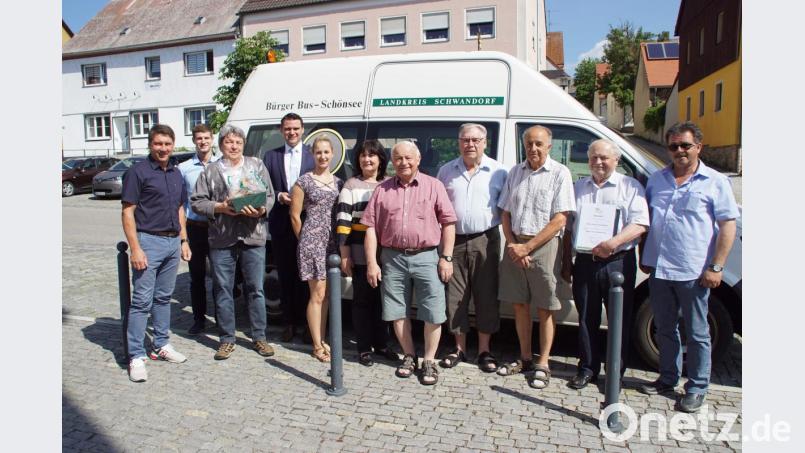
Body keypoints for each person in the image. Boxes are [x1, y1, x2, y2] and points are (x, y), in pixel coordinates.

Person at [638, 121, 739, 413]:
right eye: (673, 146)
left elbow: (727, 227)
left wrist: (717, 267)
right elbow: (647, 223)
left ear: (698, 147)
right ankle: (667, 379)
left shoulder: (716, 181)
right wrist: (645, 255)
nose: (679, 151)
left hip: (694, 271)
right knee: (665, 328)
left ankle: (696, 387)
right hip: (659, 268)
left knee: (697, 333)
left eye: (685, 145)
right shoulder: (657, 180)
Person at [361, 141, 457, 386]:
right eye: (398, 158)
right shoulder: (382, 190)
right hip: (392, 258)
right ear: (392, 162)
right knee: (396, 310)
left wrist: (446, 257)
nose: (403, 162)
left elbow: (448, 223)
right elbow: (370, 228)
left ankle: (428, 361)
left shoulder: (434, 186)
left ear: (418, 159)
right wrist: (372, 262)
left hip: (427, 256)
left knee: (433, 311)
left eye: (408, 158)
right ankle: (409, 356)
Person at [560, 139, 649, 390]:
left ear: (616, 160)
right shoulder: (578, 187)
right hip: (586, 262)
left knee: (618, 318)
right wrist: (567, 261)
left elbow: (640, 224)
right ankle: (587, 368)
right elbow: (568, 229)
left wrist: (613, 243)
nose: (598, 162)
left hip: (618, 262)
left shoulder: (630, 186)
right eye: (594, 157)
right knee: (586, 317)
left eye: (604, 158)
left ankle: (615, 374)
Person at [496, 125, 575, 389]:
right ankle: (525, 357)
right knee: (519, 305)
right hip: (515, 244)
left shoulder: (560, 173)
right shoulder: (515, 172)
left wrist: (527, 248)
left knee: (545, 308)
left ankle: (543, 362)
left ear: (549, 146)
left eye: (539, 144)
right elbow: (505, 213)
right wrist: (513, 245)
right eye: (529, 143)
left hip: (543, 246)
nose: (533, 148)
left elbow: (560, 218)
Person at [191, 124, 276, 361]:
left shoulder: (256, 165)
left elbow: (269, 196)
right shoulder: (210, 171)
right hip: (222, 237)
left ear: (243, 144)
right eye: (229, 142)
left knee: (256, 289)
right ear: (221, 145)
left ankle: (259, 337)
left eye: (238, 142)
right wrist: (220, 207)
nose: (234, 146)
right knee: (223, 290)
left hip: (253, 235)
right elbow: (197, 202)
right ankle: (226, 339)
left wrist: (260, 210)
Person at [435, 123, 508, 373]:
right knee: (455, 296)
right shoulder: (446, 171)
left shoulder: (499, 172)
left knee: (486, 295)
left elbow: (506, 210)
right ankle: (459, 348)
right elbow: (439, 209)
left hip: (486, 239)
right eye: (465, 140)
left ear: (485, 142)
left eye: (476, 140)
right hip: (453, 239)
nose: (470, 145)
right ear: (459, 142)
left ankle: (485, 350)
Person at [121, 124, 191, 382]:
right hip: (148, 242)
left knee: (163, 298)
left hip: (173, 242)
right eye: (158, 144)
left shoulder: (175, 173)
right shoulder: (137, 172)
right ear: (150, 145)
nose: (163, 148)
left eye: (167, 144)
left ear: (173, 145)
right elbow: (128, 212)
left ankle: (161, 344)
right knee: (141, 302)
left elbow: (180, 209)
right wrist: (135, 248)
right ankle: (136, 355)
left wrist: (184, 241)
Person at [335, 140, 398, 367]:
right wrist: (344, 253)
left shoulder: (390, 184)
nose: (367, 159)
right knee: (362, 302)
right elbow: (343, 222)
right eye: (362, 155)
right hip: (360, 253)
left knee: (384, 302)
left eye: (372, 155)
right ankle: (363, 348)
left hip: (387, 255)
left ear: (381, 159)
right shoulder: (351, 185)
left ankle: (382, 344)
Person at [290, 136, 344, 362]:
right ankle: (316, 344)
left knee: (327, 294)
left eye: (326, 152)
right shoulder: (304, 181)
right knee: (317, 294)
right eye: (318, 152)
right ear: (313, 155)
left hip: (333, 242)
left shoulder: (339, 182)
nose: (322, 156)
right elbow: (294, 215)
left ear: (333, 154)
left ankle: (322, 339)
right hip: (312, 241)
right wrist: (305, 240)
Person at [263, 113, 315, 343]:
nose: (291, 132)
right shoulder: (271, 156)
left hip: (308, 223)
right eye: (287, 129)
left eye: (295, 128)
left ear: (302, 129)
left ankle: (305, 325)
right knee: (285, 275)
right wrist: (278, 195)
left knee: (305, 276)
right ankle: (289, 323)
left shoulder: (313, 155)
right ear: (281, 130)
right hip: (281, 223)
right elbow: (262, 187)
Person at [178, 124, 220, 334]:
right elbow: (180, 204)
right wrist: (183, 237)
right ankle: (199, 319)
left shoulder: (222, 164)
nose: (203, 142)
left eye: (206, 138)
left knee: (221, 277)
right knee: (197, 277)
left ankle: (222, 320)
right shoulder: (184, 169)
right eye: (199, 138)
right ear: (194, 141)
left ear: (212, 139)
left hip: (219, 227)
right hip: (195, 228)